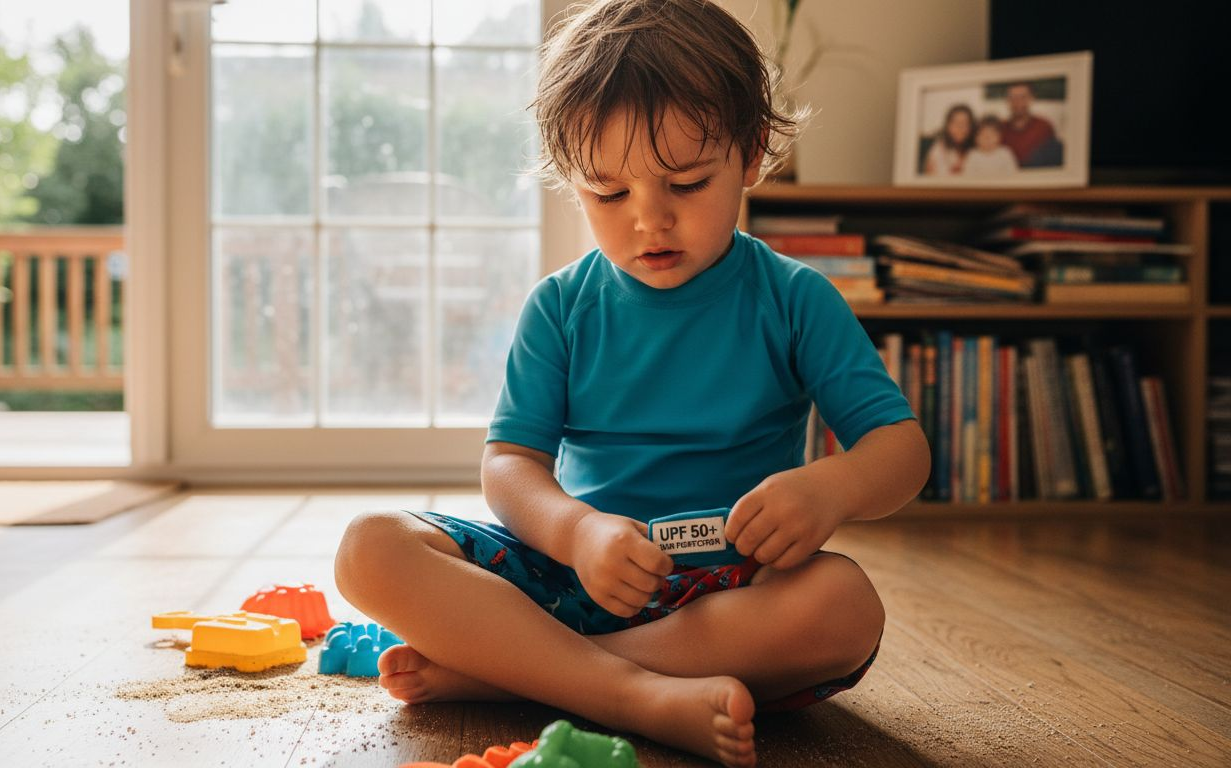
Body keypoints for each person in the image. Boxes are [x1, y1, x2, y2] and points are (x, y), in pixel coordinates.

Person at [334, 1, 930, 766]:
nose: (649, 220)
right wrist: (577, 531)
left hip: (727, 594)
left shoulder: (794, 298)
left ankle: (524, 672)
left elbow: (900, 449)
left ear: (750, 156)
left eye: (685, 182)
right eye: (608, 193)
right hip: (572, 575)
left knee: (846, 609)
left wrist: (830, 490)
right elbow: (510, 465)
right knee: (368, 549)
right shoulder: (561, 306)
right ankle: (630, 693)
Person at [1000, 82, 1061, 168]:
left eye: (1023, 97)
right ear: (1007, 101)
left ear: (1031, 99)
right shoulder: (999, 128)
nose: (1018, 102)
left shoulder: (1044, 126)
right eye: (1013, 98)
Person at [922, 103, 975, 176]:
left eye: (964, 123)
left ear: (971, 126)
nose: (960, 127)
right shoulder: (938, 148)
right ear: (948, 126)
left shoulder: (977, 149)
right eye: (955, 122)